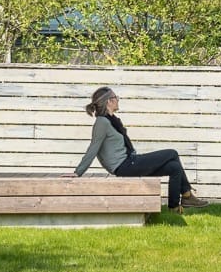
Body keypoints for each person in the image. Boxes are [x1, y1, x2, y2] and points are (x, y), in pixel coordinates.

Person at [63, 86, 208, 213]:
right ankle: (187, 196)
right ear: (109, 101)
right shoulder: (102, 122)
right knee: (172, 153)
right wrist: (78, 172)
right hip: (124, 166)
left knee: (174, 167)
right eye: (116, 97)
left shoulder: (113, 120)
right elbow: (93, 148)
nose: (118, 99)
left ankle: (174, 207)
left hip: (130, 161)